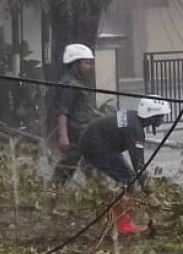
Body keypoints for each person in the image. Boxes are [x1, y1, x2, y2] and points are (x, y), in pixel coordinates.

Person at [79, 97, 171, 235]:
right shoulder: (135, 129)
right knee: (130, 180)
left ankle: (116, 216)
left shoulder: (133, 117)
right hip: (97, 146)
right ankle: (124, 225)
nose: (163, 119)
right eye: (162, 116)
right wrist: (151, 196)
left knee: (123, 178)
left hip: (94, 142)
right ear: (153, 116)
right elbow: (138, 166)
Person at [51, 43, 96, 186]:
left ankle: (96, 192)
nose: (89, 67)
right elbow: (62, 111)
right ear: (75, 64)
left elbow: (85, 108)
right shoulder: (68, 84)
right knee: (67, 167)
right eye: (86, 63)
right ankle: (52, 193)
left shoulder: (78, 82)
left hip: (85, 132)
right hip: (75, 133)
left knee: (92, 164)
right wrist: (63, 136)